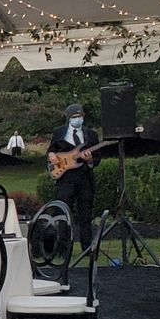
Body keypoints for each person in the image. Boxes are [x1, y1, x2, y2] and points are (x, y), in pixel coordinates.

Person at [47, 102, 98, 249]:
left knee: (85, 213)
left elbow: (98, 157)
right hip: (66, 178)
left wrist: (90, 160)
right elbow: (51, 150)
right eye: (74, 117)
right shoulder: (59, 133)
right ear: (68, 118)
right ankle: (63, 247)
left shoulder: (91, 135)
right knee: (64, 212)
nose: (77, 119)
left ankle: (86, 247)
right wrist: (51, 156)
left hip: (84, 178)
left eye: (79, 116)